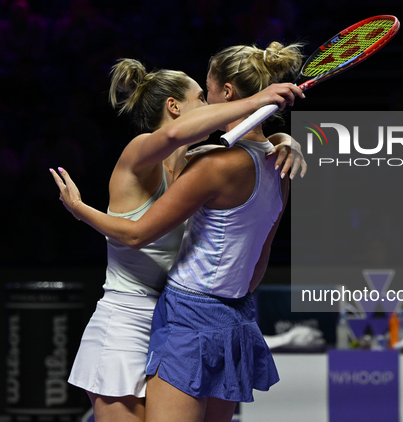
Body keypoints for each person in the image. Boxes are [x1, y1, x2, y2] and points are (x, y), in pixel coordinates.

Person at [50, 52, 304, 422]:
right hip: (127, 321)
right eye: (200, 98)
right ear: (174, 107)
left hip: (175, 315)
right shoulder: (141, 151)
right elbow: (170, 138)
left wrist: (283, 138)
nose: (207, 104)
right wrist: (79, 209)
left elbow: (252, 149)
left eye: (208, 94)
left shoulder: (198, 161)